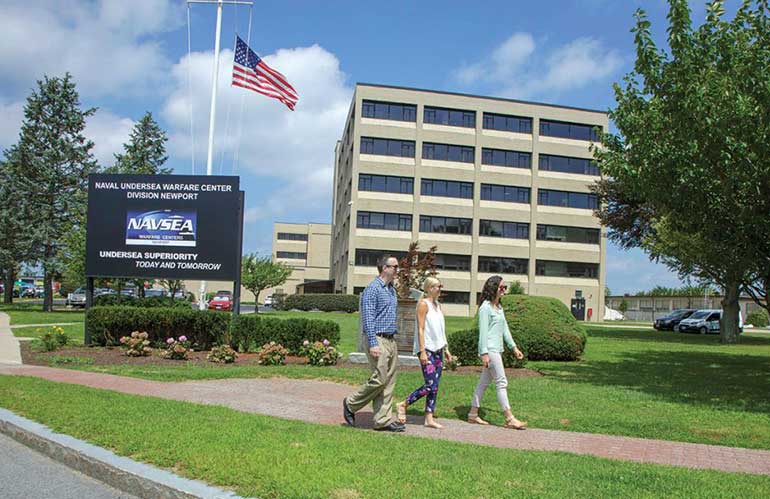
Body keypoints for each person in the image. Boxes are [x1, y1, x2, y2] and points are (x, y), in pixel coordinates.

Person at [343, 255, 404, 432]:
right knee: (379, 378)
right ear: (384, 268)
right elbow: (368, 318)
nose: (397, 270)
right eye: (395, 267)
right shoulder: (373, 289)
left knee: (389, 381)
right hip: (377, 338)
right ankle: (351, 403)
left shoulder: (391, 290)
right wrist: (372, 343)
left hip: (391, 339)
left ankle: (382, 420)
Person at [467, 275, 527, 430]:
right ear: (493, 288)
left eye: (505, 287)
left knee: (484, 383)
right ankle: (509, 418)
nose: (504, 290)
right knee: (501, 382)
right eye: (502, 287)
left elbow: (505, 329)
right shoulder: (485, 308)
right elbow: (483, 333)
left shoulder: (499, 308)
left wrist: (514, 347)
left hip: (497, 349)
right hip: (491, 350)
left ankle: (473, 414)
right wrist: (484, 353)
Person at [395, 277, 453, 429]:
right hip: (426, 348)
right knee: (430, 384)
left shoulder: (437, 305)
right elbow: (420, 329)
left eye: (440, 286)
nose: (439, 289)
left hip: (438, 349)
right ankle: (403, 404)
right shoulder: (423, 304)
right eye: (436, 286)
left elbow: (441, 329)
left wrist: (446, 349)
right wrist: (422, 352)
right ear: (428, 288)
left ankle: (429, 417)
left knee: (435, 385)